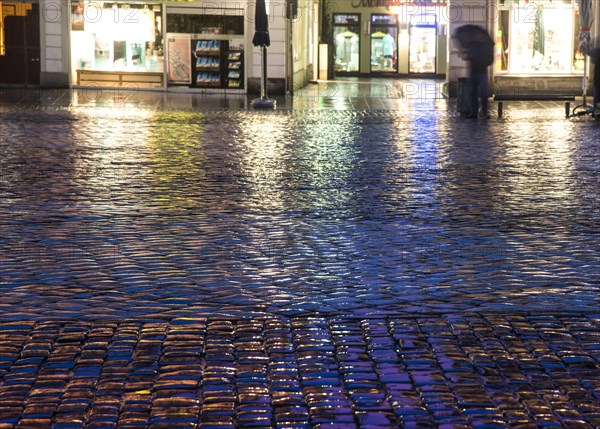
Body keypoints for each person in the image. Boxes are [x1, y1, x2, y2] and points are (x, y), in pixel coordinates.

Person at [464, 32, 494, 119]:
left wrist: (480, 59)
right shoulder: (472, 44)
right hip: (473, 71)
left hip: (482, 72)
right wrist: (468, 56)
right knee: (473, 93)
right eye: (476, 35)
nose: (477, 36)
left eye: (479, 35)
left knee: (483, 93)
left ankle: (484, 112)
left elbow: (490, 60)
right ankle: (474, 113)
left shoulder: (487, 46)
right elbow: (468, 56)